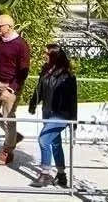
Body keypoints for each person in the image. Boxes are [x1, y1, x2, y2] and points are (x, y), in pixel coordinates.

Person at [28, 43, 77, 188]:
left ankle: (45, 173)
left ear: (54, 55)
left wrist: (74, 121)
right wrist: (33, 103)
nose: (43, 55)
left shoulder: (67, 75)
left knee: (43, 140)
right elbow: (39, 88)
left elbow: (73, 99)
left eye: (46, 53)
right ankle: (61, 175)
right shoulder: (46, 70)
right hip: (47, 111)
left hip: (61, 114)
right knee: (55, 143)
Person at [0, 13, 32, 165]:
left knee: (8, 117)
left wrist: (11, 89)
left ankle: (8, 150)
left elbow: (23, 71)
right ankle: (13, 136)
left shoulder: (21, 45)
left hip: (10, 85)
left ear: (9, 27)